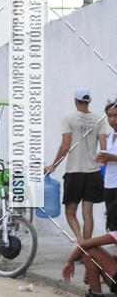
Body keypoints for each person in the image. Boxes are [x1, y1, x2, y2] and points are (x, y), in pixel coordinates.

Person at [44, 88, 107, 244]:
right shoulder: (99, 119)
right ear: (89, 100)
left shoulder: (68, 118)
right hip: (93, 173)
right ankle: (87, 247)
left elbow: (65, 146)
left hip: (74, 173)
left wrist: (54, 165)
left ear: (75, 100)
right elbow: (104, 149)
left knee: (70, 212)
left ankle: (80, 243)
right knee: (88, 213)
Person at [62, 201, 117, 297]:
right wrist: (93, 269)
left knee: (89, 250)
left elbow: (84, 244)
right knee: (95, 251)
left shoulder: (114, 235)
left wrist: (69, 261)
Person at [96, 100, 117, 225]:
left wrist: (112, 157)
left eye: (116, 115)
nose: (112, 119)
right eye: (109, 116)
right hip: (109, 183)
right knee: (111, 218)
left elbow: (112, 157)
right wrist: (100, 158)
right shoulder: (109, 137)